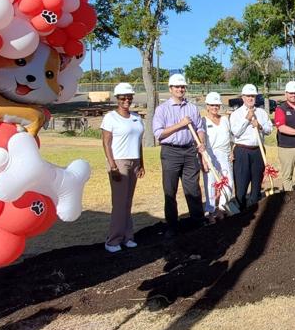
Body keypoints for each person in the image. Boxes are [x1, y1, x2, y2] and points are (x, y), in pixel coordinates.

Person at [152, 73, 205, 236]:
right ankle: (172, 226)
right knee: (170, 190)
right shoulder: (162, 109)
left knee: (193, 189)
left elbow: (200, 128)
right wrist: (180, 125)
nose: (180, 89)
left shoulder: (192, 108)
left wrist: (201, 142)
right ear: (170, 89)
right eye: (177, 87)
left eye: (182, 87)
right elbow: (158, 134)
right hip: (170, 152)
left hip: (190, 151)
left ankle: (198, 222)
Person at [100, 83, 145, 253]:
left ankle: (127, 236)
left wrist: (141, 163)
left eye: (129, 97)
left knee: (127, 203)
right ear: (117, 99)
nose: (127, 100)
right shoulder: (110, 117)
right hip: (119, 162)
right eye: (123, 98)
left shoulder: (136, 117)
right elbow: (106, 142)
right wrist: (112, 165)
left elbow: (139, 142)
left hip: (134, 161)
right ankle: (113, 240)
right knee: (119, 204)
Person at [229, 83, 273, 208]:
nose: (250, 98)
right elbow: (236, 132)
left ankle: (254, 209)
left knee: (256, 185)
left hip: (258, 151)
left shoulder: (262, 113)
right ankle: (240, 212)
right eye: (248, 96)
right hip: (242, 151)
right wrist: (247, 119)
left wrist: (259, 126)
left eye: (253, 96)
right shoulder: (236, 114)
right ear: (242, 97)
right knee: (241, 186)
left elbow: (269, 130)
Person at [201, 91, 233, 221]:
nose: (215, 107)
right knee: (211, 183)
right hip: (210, 154)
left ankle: (222, 206)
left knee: (228, 180)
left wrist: (231, 151)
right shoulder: (203, 121)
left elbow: (231, 138)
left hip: (225, 153)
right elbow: (200, 142)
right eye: (212, 105)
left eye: (217, 105)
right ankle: (210, 210)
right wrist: (203, 159)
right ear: (207, 106)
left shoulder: (225, 120)